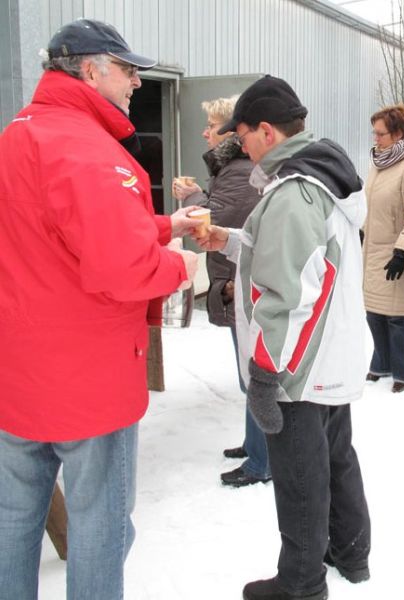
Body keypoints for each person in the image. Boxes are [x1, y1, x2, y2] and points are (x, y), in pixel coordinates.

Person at [0, 18, 198, 599]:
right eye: (128, 70)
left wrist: (164, 225)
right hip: (87, 383)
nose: (137, 82)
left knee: (15, 520)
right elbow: (122, 267)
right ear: (91, 70)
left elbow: (52, 232)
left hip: (19, 373)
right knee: (99, 525)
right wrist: (180, 265)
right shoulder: (84, 148)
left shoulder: (17, 137)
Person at [192, 75, 370, 600]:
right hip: (328, 353)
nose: (236, 144)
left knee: (299, 475)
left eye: (241, 134)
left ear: (266, 131)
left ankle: (300, 583)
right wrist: (229, 238)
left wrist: (266, 376)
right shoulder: (315, 178)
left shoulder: (294, 193)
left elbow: (287, 293)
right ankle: (351, 553)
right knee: (336, 457)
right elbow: (291, 253)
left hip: (297, 363)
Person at [173, 95, 271, 486]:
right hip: (236, 279)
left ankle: (262, 462)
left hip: (240, 282)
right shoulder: (231, 167)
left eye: (210, 126)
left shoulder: (236, 170)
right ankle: (254, 444)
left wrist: (192, 198)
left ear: (229, 132)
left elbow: (222, 217)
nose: (204, 133)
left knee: (253, 375)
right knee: (249, 373)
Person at [362, 104, 404, 393]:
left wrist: (402, 250)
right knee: (373, 312)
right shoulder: (378, 163)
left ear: (398, 133)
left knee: (395, 316)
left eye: (380, 133)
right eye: (374, 133)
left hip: (395, 251)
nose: (375, 139)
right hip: (371, 249)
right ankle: (382, 362)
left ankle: (403, 371)